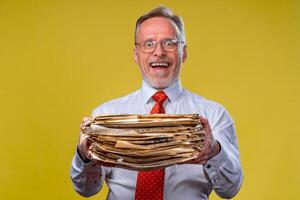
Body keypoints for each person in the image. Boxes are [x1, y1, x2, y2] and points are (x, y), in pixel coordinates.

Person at [70, 6, 243, 200]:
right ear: (136, 54)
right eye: (148, 44)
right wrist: (84, 156)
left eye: (169, 43)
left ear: (183, 52)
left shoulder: (214, 115)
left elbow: (230, 189)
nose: (158, 52)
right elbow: (86, 189)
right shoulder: (105, 115)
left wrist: (213, 151)